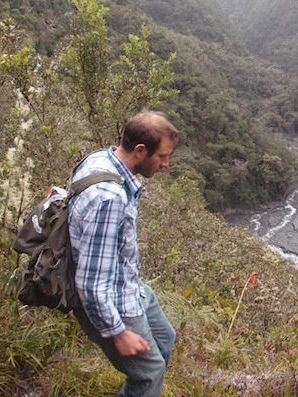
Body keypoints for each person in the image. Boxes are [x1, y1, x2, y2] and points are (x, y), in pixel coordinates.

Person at [68, 111, 178, 397]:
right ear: (141, 150)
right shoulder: (109, 198)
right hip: (112, 300)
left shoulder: (101, 159)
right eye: (162, 157)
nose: (166, 164)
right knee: (149, 373)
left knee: (165, 339)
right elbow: (91, 282)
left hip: (128, 285)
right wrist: (117, 332)